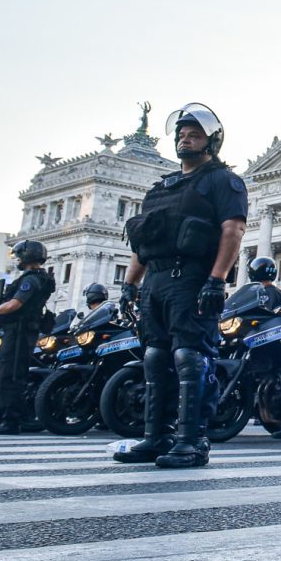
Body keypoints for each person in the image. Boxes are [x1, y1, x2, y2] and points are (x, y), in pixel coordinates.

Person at [113, 103, 247, 468]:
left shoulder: (222, 181)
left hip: (191, 278)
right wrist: (129, 285)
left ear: (211, 141)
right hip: (155, 280)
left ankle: (192, 441)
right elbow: (144, 241)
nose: (186, 140)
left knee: (190, 357)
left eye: (194, 135)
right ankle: (156, 437)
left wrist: (216, 279)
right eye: (182, 135)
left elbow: (232, 231)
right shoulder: (161, 188)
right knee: (155, 357)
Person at [0, 240, 55, 434]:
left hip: (21, 332)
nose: (16, 260)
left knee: (12, 376)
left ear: (26, 257)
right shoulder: (31, 278)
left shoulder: (31, 280)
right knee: (1, 375)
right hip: (13, 331)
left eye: (18, 256)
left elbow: (14, 305)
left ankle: (10, 421)